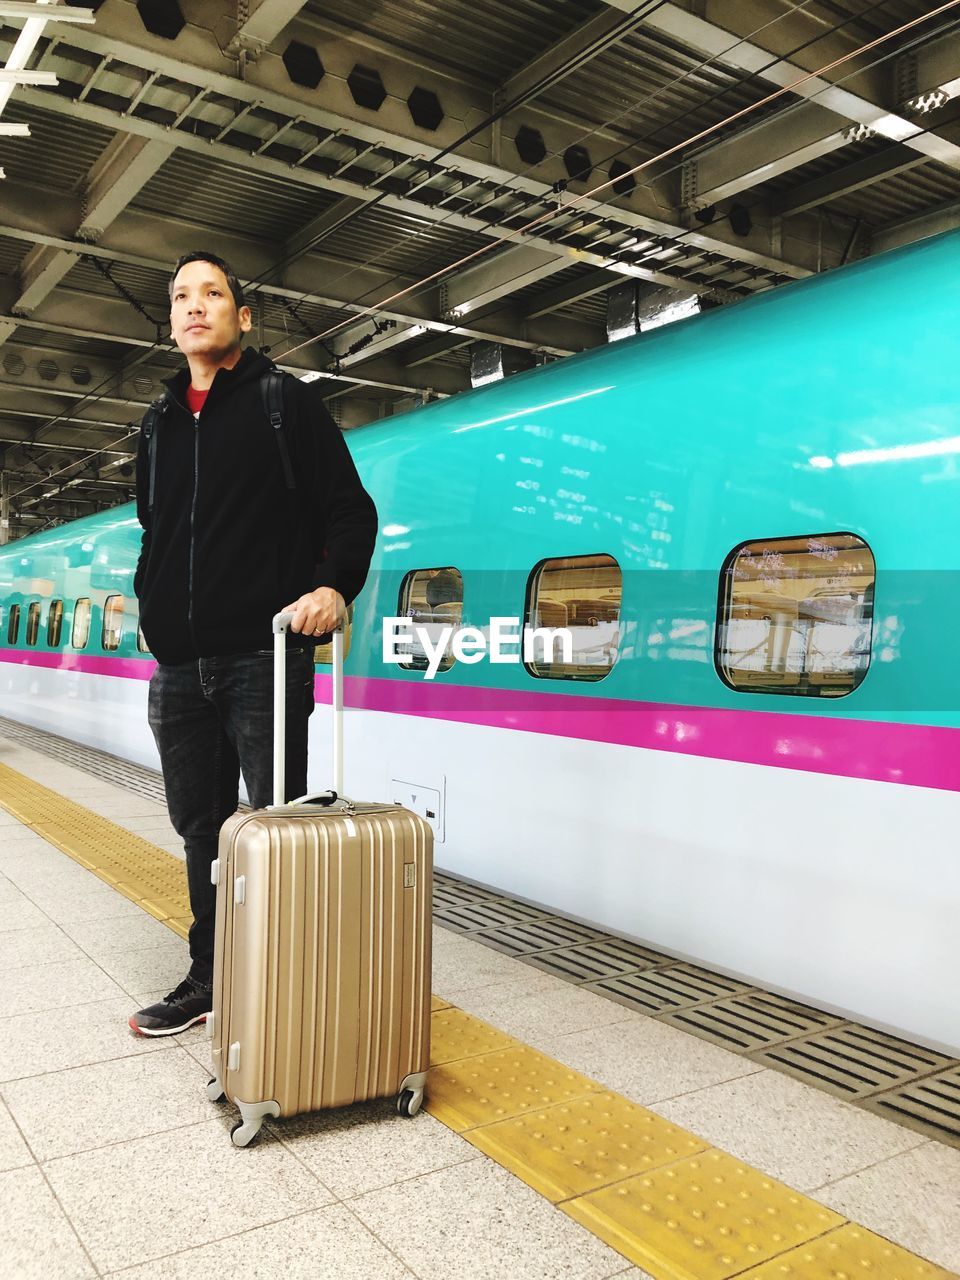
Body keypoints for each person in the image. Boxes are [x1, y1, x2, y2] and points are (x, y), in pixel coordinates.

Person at [129, 251, 377, 1036]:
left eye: (212, 293)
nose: (194, 306)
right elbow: (157, 529)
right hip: (178, 666)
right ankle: (210, 974)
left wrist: (334, 586)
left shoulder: (284, 404)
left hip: (262, 659)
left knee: (274, 824)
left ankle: (282, 978)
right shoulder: (159, 422)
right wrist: (154, 602)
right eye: (180, 297)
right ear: (171, 320)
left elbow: (350, 510)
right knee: (201, 828)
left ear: (242, 315)